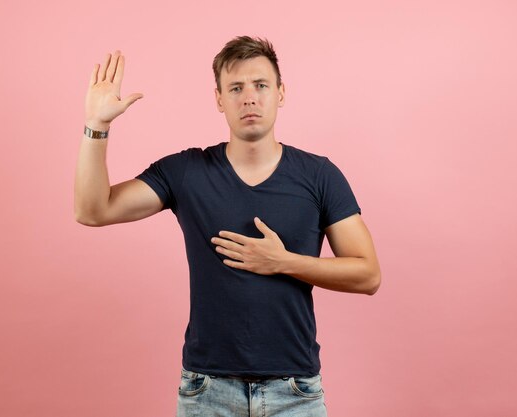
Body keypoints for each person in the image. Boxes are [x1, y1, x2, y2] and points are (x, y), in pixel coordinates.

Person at [75, 36, 381, 417]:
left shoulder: (319, 175)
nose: (249, 98)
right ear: (219, 98)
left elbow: (368, 274)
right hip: (207, 391)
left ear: (281, 93)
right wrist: (96, 125)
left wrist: (283, 261)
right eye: (235, 88)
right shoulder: (186, 172)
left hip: (295, 391)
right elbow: (93, 210)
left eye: (261, 86)